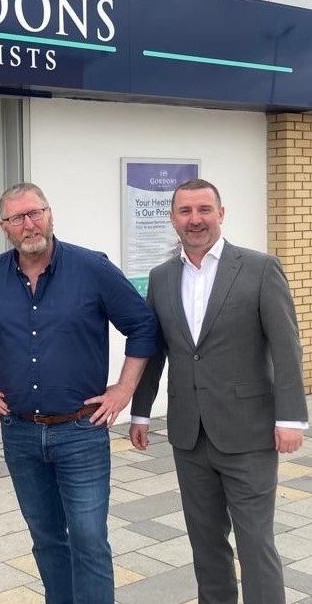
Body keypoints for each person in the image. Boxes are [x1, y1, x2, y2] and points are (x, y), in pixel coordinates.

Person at [0, 182, 158, 604]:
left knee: (89, 540)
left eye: (35, 213)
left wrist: (123, 390)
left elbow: (143, 325)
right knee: (46, 538)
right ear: (4, 227)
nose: (29, 225)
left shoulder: (91, 268)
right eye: (17, 218)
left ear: (50, 214)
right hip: (21, 433)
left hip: (80, 431)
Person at [130, 178, 307, 604]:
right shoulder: (161, 276)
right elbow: (155, 352)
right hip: (190, 436)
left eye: (204, 210)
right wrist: (139, 412)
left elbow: (287, 347)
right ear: (172, 218)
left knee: (255, 543)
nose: (195, 220)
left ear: (221, 214)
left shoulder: (260, 268)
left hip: (249, 433)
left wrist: (291, 418)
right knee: (205, 543)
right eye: (186, 211)